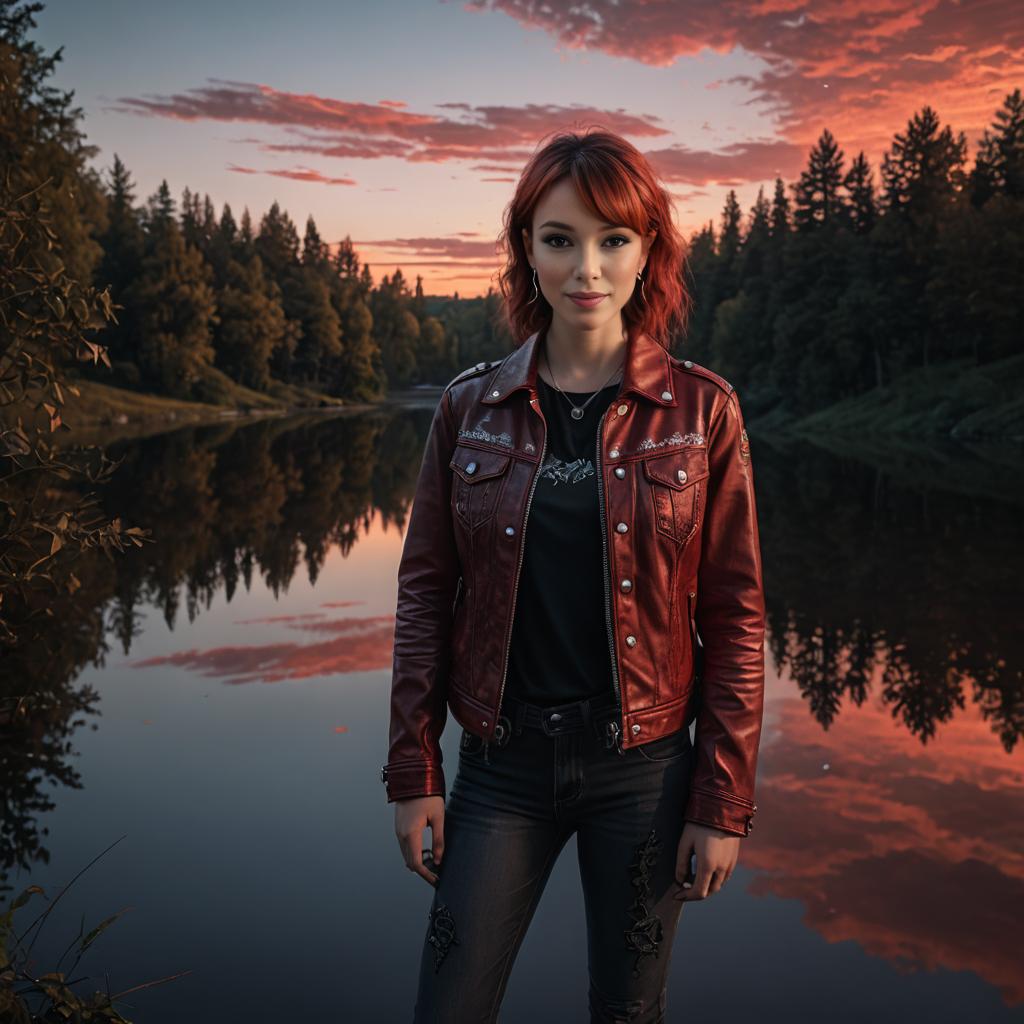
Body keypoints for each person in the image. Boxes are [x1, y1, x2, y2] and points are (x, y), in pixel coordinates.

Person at [382, 127, 766, 1023]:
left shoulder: (703, 411)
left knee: (627, 1012)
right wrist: (413, 769)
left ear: (648, 251)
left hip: (644, 771)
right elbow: (424, 597)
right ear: (526, 249)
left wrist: (721, 799)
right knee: (448, 1006)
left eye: (612, 239)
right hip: (500, 767)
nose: (585, 267)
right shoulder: (467, 408)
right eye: (559, 239)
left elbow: (737, 617)